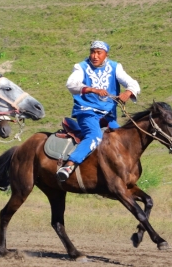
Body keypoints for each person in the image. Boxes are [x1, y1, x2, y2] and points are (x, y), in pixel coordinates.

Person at [57, 40, 140, 182]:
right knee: (94, 136)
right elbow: (71, 84)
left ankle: (119, 173)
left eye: (98, 53)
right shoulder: (81, 67)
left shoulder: (115, 67)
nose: (94, 56)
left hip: (108, 115)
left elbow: (132, 83)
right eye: (92, 52)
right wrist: (92, 89)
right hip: (86, 111)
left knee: (121, 139)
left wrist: (128, 92)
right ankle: (69, 165)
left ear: (106, 55)